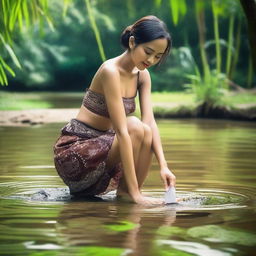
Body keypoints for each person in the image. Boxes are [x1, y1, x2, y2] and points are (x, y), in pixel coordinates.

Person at [53, 15, 176, 205]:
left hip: (107, 149)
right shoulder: (110, 71)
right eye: (148, 52)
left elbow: (150, 123)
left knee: (144, 129)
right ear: (133, 42)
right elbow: (122, 131)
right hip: (78, 152)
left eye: (158, 56)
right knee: (134, 125)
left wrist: (164, 166)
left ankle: (131, 193)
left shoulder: (142, 76)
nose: (151, 60)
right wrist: (134, 193)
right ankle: (131, 193)